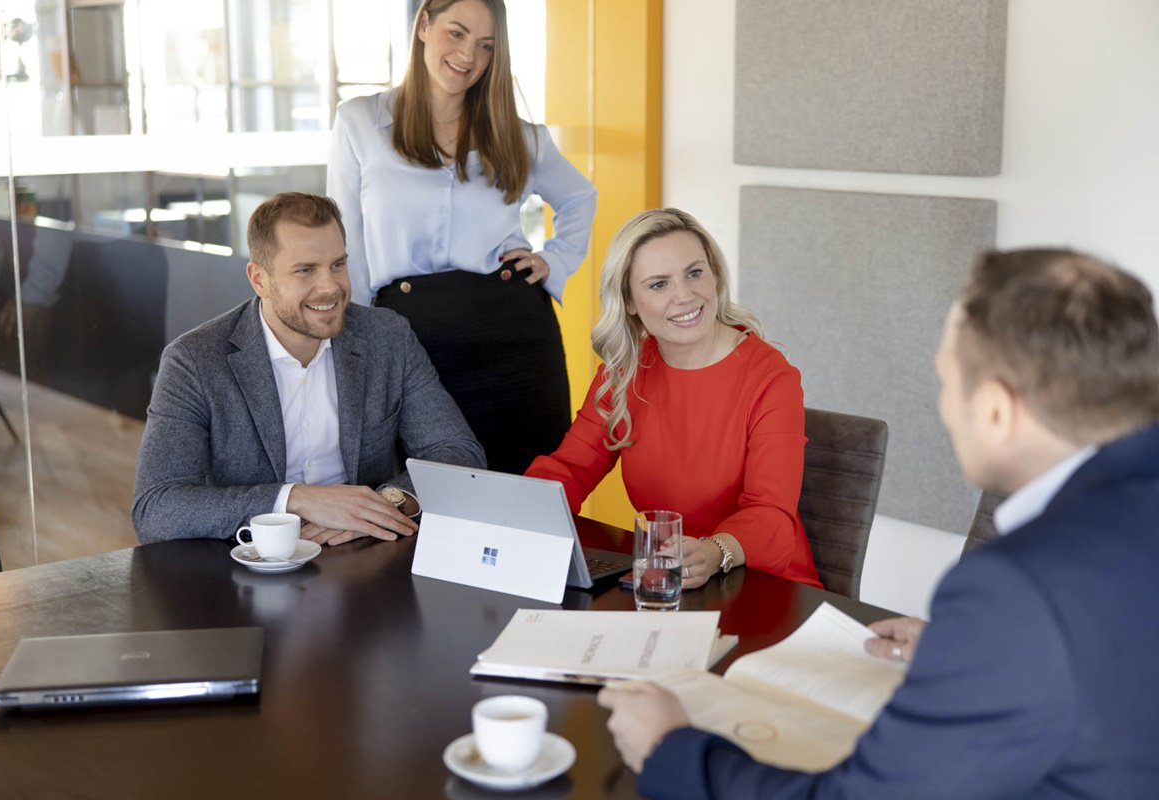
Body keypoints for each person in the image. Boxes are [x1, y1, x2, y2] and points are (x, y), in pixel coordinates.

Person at [599, 248, 1159, 798]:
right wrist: (978, 649)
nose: (944, 407)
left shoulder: (1012, 591)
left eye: (946, 383)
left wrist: (670, 747)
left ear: (994, 410)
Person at [327, 0, 596, 475]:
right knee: (414, 495)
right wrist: (358, 336)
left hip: (514, 334)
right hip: (407, 336)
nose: (468, 55)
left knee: (528, 492)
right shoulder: (360, 123)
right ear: (424, 25)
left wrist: (554, 259)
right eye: (457, 33)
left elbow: (579, 198)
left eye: (486, 45)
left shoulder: (519, 136)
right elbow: (347, 242)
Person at [133, 192, 485, 546]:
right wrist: (298, 499)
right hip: (247, 565)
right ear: (259, 279)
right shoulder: (194, 360)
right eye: (305, 270)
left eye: (337, 265)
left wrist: (376, 507)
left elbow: (458, 453)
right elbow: (157, 508)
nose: (330, 286)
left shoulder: (387, 337)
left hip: (364, 554)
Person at [527, 208, 822, 589]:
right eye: (659, 284)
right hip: (668, 581)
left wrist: (715, 551)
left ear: (714, 275)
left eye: (694, 273)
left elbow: (771, 515)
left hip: (764, 586)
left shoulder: (770, 377)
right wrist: (515, 515)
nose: (685, 296)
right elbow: (569, 468)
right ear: (629, 302)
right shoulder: (625, 369)